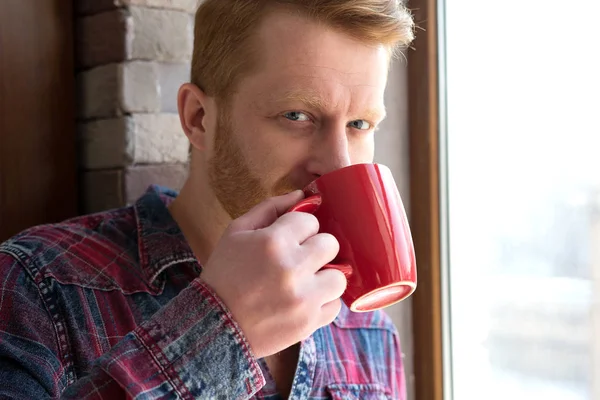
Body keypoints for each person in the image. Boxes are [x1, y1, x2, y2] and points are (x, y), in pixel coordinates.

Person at [0, 0, 414, 398]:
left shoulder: (369, 331)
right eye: (297, 115)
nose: (338, 164)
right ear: (198, 118)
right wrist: (218, 332)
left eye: (360, 124)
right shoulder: (36, 288)